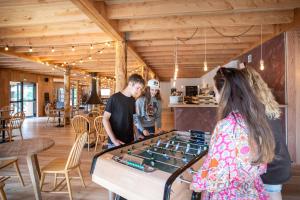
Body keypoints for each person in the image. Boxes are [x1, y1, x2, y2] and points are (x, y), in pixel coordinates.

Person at [190, 67, 275, 200]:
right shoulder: (256, 119)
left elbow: (218, 172)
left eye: (215, 92)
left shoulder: (227, 125)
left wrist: (197, 183)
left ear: (223, 93)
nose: (216, 97)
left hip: (229, 194)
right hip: (253, 191)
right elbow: (261, 164)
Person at [243, 67, 291, 200]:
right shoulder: (267, 104)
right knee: (274, 192)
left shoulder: (254, 108)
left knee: (270, 192)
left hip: (269, 164)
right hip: (279, 160)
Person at [102, 73, 145, 148]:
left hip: (130, 140)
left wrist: (137, 134)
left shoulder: (132, 100)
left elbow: (133, 119)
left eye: (141, 89)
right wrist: (114, 140)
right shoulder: (114, 98)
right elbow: (105, 119)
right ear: (130, 84)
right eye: (137, 88)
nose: (139, 92)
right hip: (115, 142)